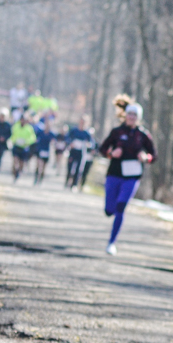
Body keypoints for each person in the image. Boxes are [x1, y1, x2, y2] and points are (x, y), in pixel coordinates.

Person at [98, 104, 156, 254]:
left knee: (121, 207)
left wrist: (146, 157)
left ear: (138, 118)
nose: (132, 117)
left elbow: (153, 155)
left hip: (132, 177)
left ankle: (112, 243)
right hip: (114, 174)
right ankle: (110, 211)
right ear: (125, 115)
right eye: (130, 114)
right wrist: (111, 153)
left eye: (135, 115)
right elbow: (102, 149)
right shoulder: (117, 132)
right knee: (109, 210)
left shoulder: (143, 135)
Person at [65, 118, 94, 189]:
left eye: (84, 122)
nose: (82, 124)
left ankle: (74, 184)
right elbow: (67, 138)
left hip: (81, 153)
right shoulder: (74, 130)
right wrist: (70, 143)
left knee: (78, 169)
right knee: (70, 167)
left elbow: (91, 143)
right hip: (73, 151)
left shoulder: (87, 133)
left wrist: (88, 145)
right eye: (81, 122)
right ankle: (67, 182)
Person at [9, 111, 38, 182]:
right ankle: (14, 173)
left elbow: (33, 138)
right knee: (15, 161)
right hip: (16, 146)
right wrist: (12, 141)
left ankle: (19, 172)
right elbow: (12, 135)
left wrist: (27, 142)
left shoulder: (29, 128)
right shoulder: (16, 126)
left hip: (24, 148)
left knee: (21, 163)